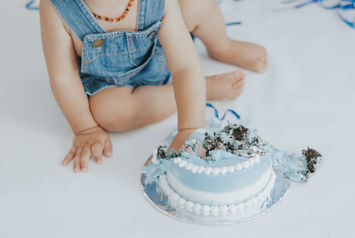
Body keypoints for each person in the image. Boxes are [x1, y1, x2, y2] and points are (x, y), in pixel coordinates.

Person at [40, 0, 268, 173]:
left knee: (195, 4)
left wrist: (190, 129)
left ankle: (222, 45)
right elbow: (63, 76)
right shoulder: (57, 7)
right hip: (107, 82)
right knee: (108, 112)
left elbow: (185, 66)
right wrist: (85, 128)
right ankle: (204, 89)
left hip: (163, 55)